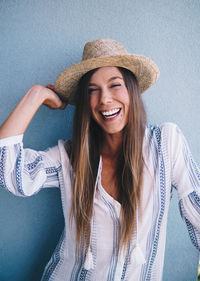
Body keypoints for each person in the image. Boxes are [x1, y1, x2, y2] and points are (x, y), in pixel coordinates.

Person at [0, 38, 199, 281]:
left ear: (131, 90)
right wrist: (36, 95)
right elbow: (8, 173)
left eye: (115, 85)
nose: (104, 99)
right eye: (92, 90)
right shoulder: (70, 157)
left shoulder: (166, 144)